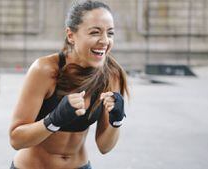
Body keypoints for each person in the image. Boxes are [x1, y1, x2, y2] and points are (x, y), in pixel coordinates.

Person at [9, 0, 129, 168]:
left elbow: (104, 146)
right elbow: (16, 139)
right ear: (71, 35)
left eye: (110, 33)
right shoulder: (45, 70)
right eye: (95, 32)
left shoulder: (111, 75)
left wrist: (116, 121)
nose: (104, 40)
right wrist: (54, 119)